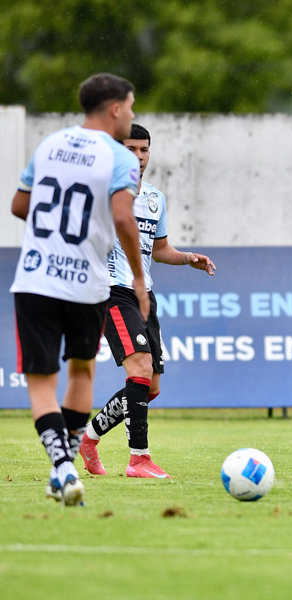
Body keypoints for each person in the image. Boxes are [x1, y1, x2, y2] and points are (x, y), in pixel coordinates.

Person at [10, 73, 147, 506]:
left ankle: (62, 467)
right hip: (88, 283)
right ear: (115, 109)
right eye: (131, 106)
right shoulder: (119, 158)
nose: (132, 114)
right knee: (82, 372)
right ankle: (65, 464)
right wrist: (139, 278)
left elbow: (19, 204)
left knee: (40, 383)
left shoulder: (50, 144)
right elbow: (124, 219)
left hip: (36, 278)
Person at [78, 124, 216, 479]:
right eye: (131, 149)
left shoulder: (154, 198)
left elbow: (159, 249)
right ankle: (138, 458)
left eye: (144, 149)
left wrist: (188, 258)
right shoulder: (101, 195)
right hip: (109, 291)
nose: (139, 157)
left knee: (149, 387)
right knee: (138, 369)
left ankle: (89, 439)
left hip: (143, 295)